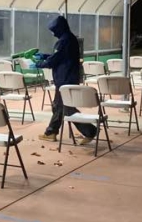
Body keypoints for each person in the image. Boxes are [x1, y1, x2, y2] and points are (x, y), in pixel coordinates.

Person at [36, 15, 97, 144]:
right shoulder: (69, 38)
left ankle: (90, 131)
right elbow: (61, 56)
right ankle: (51, 132)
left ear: (59, 28)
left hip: (65, 80)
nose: (53, 33)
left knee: (67, 109)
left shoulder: (63, 41)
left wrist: (39, 64)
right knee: (59, 106)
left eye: (54, 30)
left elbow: (55, 59)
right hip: (68, 78)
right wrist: (45, 56)